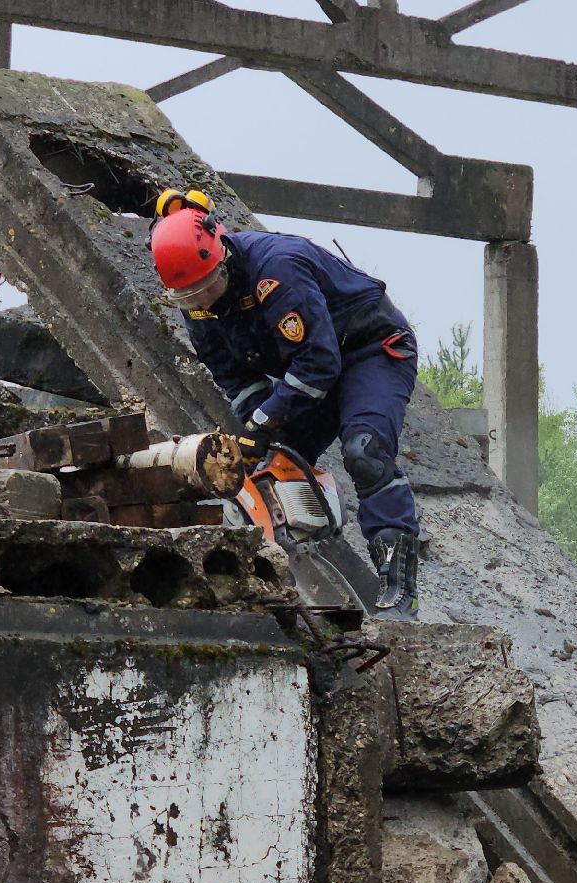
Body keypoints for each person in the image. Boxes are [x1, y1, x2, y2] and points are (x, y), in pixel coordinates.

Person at [147, 188, 422, 618]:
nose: (201, 302)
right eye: (188, 298)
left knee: (364, 451)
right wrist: (258, 430)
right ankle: (271, 583)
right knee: (265, 473)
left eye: (207, 288)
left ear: (222, 257)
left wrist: (263, 421)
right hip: (310, 367)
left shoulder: (277, 269)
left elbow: (318, 361)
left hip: (370, 349)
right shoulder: (197, 301)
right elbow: (233, 375)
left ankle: (399, 586)